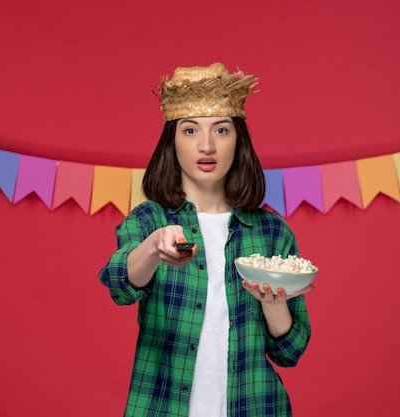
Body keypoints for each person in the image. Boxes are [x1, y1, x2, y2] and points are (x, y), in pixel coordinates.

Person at [99, 62, 313, 417]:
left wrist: (272, 300)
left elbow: (289, 352)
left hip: (257, 406)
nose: (207, 145)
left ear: (238, 140)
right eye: (189, 130)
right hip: (162, 406)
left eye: (222, 130)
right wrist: (154, 247)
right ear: (172, 141)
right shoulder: (149, 220)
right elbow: (119, 284)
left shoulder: (272, 233)